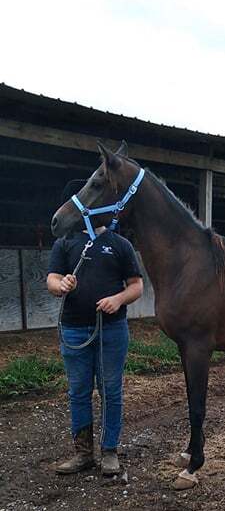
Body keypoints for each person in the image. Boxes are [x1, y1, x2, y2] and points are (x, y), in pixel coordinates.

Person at [47, 180, 143, 476]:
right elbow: (51, 279)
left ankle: (109, 451)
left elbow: (136, 286)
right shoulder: (65, 243)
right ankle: (83, 453)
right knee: (78, 391)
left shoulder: (120, 245)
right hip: (74, 329)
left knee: (111, 390)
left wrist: (118, 299)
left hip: (111, 330)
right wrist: (61, 285)